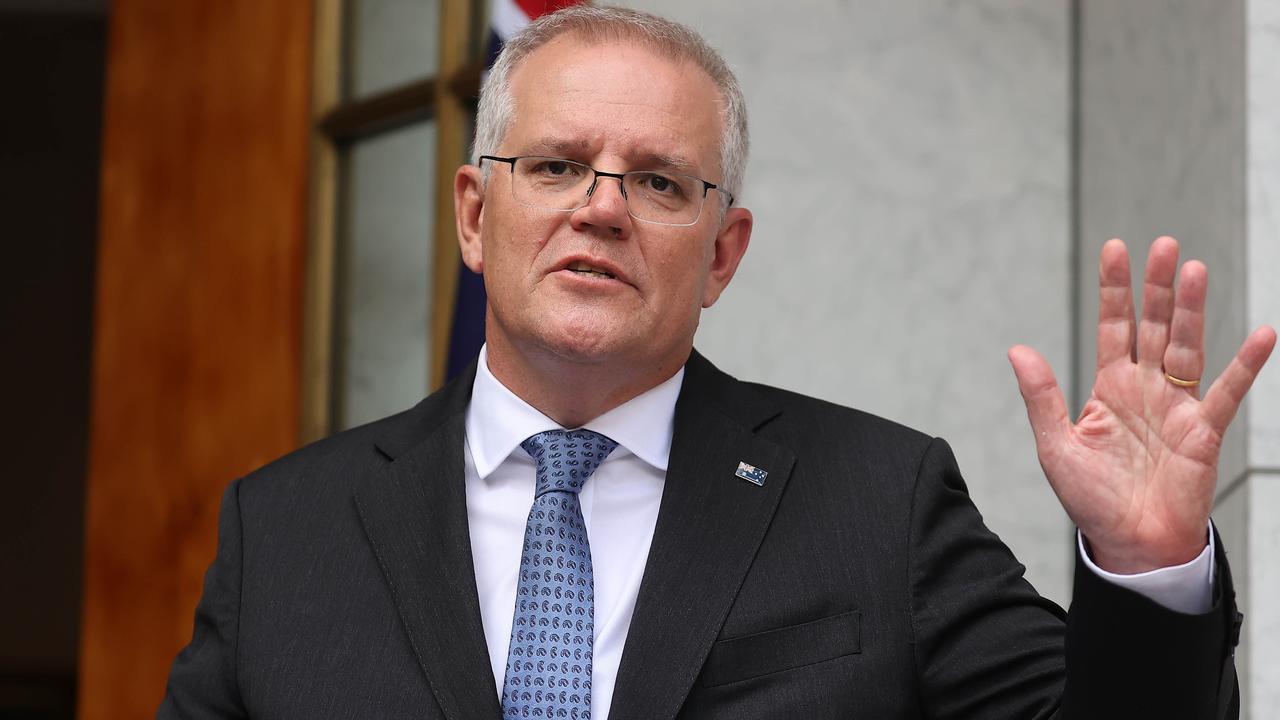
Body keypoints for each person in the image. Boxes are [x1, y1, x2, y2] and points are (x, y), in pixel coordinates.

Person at [158, 6, 1275, 719]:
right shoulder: (287, 532)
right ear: (471, 213)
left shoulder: (875, 503)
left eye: (657, 182)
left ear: (722, 253)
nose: (599, 209)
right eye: (554, 165)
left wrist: (1145, 568)